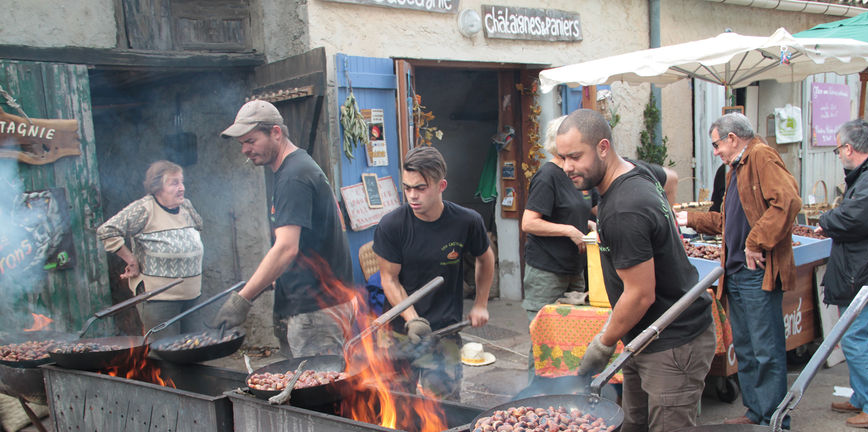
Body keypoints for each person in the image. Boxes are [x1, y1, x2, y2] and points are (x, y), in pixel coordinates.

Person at [558, 109, 716, 432]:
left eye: (575, 156)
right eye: (563, 157)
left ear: (603, 147)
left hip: (672, 341)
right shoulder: (635, 170)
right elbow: (669, 178)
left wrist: (602, 343)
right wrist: (664, 228)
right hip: (642, 338)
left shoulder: (624, 209)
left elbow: (640, 294)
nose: (567, 167)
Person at [676, 113, 801, 427]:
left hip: (756, 272)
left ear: (733, 138)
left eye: (717, 144)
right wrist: (687, 218)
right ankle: (756, 413)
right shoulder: (736, 168)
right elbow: (726, 221)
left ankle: (773, 422)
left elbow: (787, 201)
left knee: (766, 350)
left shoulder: (760, 156)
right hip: (736, 273)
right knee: (745, 348)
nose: (715, 151)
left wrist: (756, 241)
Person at [215, 100, 354, 358]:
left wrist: (242, 300)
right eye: (241, 143)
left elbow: (286, 248)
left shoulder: (293, 176)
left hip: (316, 310)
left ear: (276, 133)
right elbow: (306, 242)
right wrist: (273, 277)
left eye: (251, 141)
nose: (245, 149)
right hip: (320, 304)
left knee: (313, 393)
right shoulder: (297, 167)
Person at [373, 146, 494, 399]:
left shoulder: (466, 221)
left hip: (444, 332)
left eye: (420, 188)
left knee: (444, 410)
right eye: (407, 188)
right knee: (395, 406)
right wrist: (412, 318)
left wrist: (481, 303)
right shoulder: (392, 225)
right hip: (398, 334)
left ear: (441, 185)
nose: (412, 196)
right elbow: (389, 279)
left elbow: (485, 258)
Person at [817, 119, 868, 428]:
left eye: (839, 149)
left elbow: (858, 218)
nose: (839, 155)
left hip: (865, 268)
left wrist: (827, 220)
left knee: (853, 337)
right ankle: (864, 396)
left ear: (849, 148)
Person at [97, 160, 203, 335]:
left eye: (181, 182)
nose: (181, 187)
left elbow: (199, 226)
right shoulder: (144, 208)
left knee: (193, 349)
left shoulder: (186, 206)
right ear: (157, 187)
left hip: (192, 295)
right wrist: (131, 259)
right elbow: (106, 231)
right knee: (165, 352)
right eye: (174, 183)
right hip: (159, 298)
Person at [521, 116, 592, 323]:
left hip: (575, 269)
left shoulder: (579, 175)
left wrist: (591, 225)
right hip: (547, 271)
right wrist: (570, 230)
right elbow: (529, 223)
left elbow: (585, 209)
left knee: (574, 338)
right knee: (545, 338)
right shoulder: (547, 176)